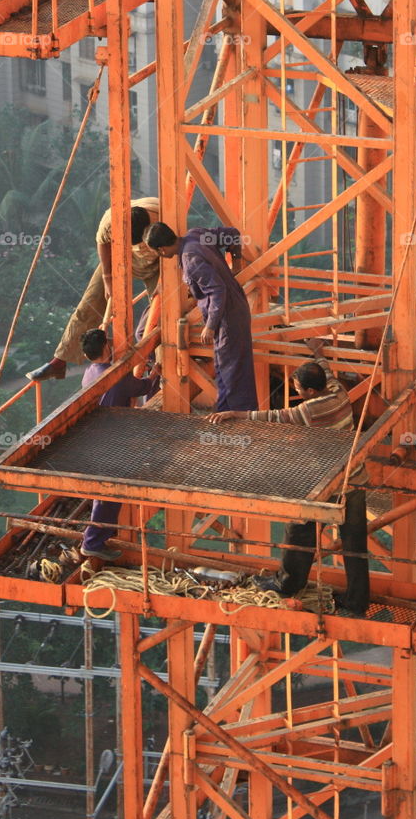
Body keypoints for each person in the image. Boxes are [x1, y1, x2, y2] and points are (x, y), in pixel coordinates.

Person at [208, 339, 369, 614]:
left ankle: (287, 584)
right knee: (355, 546)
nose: (295, 392)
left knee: (299, 531)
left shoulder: (309, 410)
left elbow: (273, 416)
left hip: (326, 485)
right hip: (355, 480)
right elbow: (326, 371)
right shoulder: (339, 393)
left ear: (309, 391)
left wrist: (234, 414)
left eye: (297, 389)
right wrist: (319, 354)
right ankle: (357, 601)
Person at [27, 197, 160, 381]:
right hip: (120, 259)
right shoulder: (111, 220)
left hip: (158, 263)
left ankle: (158, 366)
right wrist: (107, 279)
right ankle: (59, 361)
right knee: (89, 303)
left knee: (161, 312)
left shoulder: (164, 216)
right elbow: (103, 242)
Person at [143, 221, 257, 412]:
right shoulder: (196, 234)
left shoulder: (190, 258)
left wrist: (210, 326)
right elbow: (232, 233)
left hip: (227, 318)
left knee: (231, 375)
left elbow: (217, 291)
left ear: (161, 249)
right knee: (228, 371)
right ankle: (226, 417)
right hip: (236, 308)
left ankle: (238, 423)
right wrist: (236, 260)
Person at [77, 328, 160, 560]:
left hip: (96, 436)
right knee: (109, 493)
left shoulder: (89, 373)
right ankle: (92, 541)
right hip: (112, 440)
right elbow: (141, 387)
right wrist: (155, 374)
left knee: (104, 492)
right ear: (107, 348)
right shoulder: (115, 376)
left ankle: (104, 533)